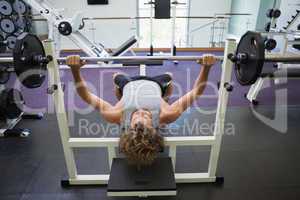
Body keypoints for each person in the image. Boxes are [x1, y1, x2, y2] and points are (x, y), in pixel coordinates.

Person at [66, 55, 216, 167]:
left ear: (128, 127)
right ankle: (164, 97)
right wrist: (206, 67)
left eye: (136, 116)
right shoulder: (167, 114)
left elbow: (85, 95)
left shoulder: (115, 115)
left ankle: (122, 96)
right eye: (147, 116)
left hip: (128, 84)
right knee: (170, 77)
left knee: (115, 77)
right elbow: (197, 91)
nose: (141, 112)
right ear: (155, 128)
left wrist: (75, 70)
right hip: (155, 84)